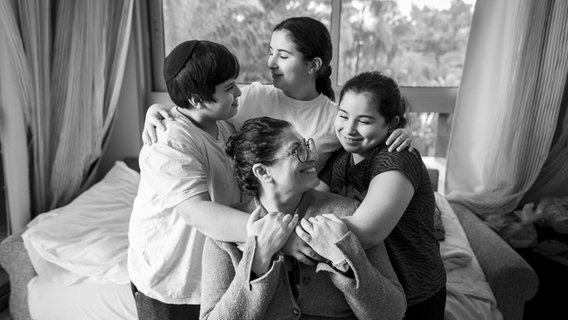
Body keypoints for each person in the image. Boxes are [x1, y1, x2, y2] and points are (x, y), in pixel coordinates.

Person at [142, 16, 415, 265]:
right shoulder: (251, 98)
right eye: (271, 53)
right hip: (249, 232)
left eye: (283, 55)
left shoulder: (336, 118)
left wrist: (400, 132)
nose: (271, 63)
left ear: (314, 65)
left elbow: (370, 142)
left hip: (281, 231)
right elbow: (199, 103)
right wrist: (161, 111)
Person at [199, 117, 406, 320]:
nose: (312, 156)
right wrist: (258, 261)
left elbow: (393, 312)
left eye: (306, 145)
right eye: (297, 150)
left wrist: (344, 258)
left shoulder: (348, 212)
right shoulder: (223, 236)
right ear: (263, 171)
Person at [127, 40, 250, 320]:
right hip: (169, 280)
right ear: (196, 100)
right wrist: (271, 232)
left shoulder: (227, 124)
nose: (238, 92)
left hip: (212, 272)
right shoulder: (167, 142)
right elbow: (199, 214)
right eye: (229, 88)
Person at [314, 71, 446, 320]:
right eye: (343, 116)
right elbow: (310, 201)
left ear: (391, 123)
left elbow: (365, 232)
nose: (349, 129)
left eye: (364, 121)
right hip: (369, 290)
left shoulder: (396, 158)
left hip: (414, 293)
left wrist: (288, 233)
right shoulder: (342, 158)